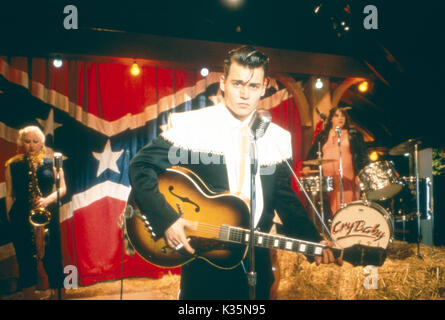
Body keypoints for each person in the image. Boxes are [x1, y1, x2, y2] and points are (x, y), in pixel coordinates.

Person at [129, 46, 341, 300]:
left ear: (264, 87)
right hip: (206, 264)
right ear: (223, 83)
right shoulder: (194, 126)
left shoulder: (277, 138)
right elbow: (140, 166)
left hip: (257, 263)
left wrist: (313, 242)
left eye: (252, 86)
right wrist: (167, 219)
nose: (244, 94)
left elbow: (286, 201)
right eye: (237, 83)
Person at [4, 125, 66, 300]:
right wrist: (10, 215)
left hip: (47, 213)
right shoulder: (12, 164)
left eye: (35, 141)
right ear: (21, 142)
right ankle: (29, 296)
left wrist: (47, 200)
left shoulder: (52, 162)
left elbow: (63, 189)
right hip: (21, 215)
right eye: (27, 141)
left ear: (42, 143)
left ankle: (57, 295)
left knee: (53, 256)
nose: (31, 145)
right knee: (25, 258)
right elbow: (9, 194)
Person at [302, 107, 369, 216]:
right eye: (337, 116)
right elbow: (313, 152)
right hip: (329, 177)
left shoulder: (353, 134)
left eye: (343, 116)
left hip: (348, 176)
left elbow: (362, 153)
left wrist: (362, 172)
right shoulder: (323, 136)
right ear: (331, 119)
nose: (340, 118)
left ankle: (348, 225)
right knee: (331, 204)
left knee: (349, 204)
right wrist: (307, 166)